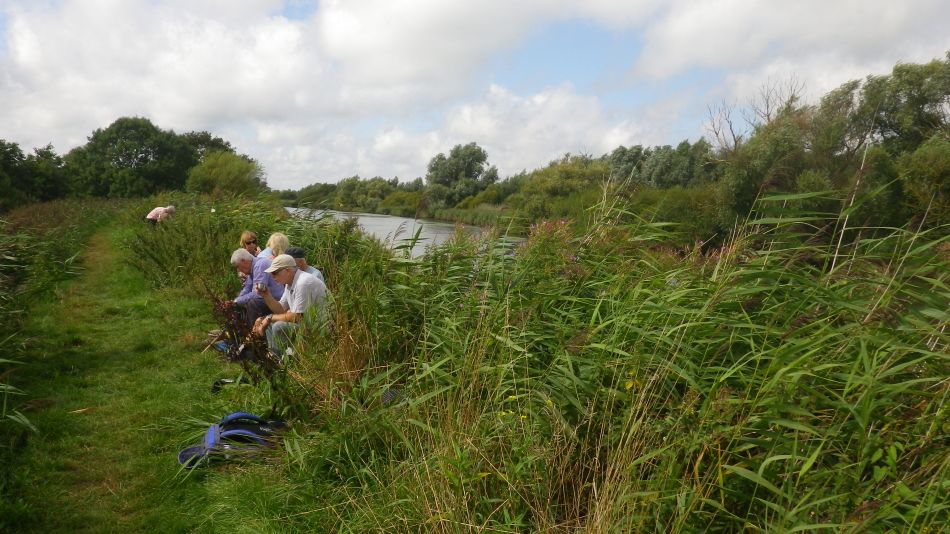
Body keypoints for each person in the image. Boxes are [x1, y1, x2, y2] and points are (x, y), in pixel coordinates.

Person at [253, 254, 327, 356]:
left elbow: (296, 317)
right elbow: (280, 310)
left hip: (320, 329)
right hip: (307, 325)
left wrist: (268, 317)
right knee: (269, 324)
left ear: (287, 271)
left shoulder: (302, 282)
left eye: (274, 273)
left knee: (278, 326)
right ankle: (275, 356)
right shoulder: (290, 283)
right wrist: (266, 295)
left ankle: (281, 361)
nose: (272, 277)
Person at [230, 248, 284, 326]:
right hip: (269, 299)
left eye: (238, 266)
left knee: (253, 302)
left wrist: (236, 301)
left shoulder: (260, 265)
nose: (238, 270)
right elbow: (247, 288)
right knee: (242, 303)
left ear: (243, 261)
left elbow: (257, 293)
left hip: (277, 301)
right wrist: (235, 302)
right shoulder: (253, 267)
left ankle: (253, 334)